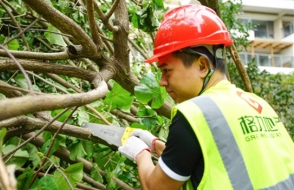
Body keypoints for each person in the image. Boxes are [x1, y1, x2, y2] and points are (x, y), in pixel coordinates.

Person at [118, 4, 294, 190]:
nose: (162, 81)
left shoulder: (193, 115)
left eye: (167, 70)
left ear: (202, 66)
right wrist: (155, 145)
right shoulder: (259, 104)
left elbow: (156, 187)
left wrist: (141, 154)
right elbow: (224, 159)